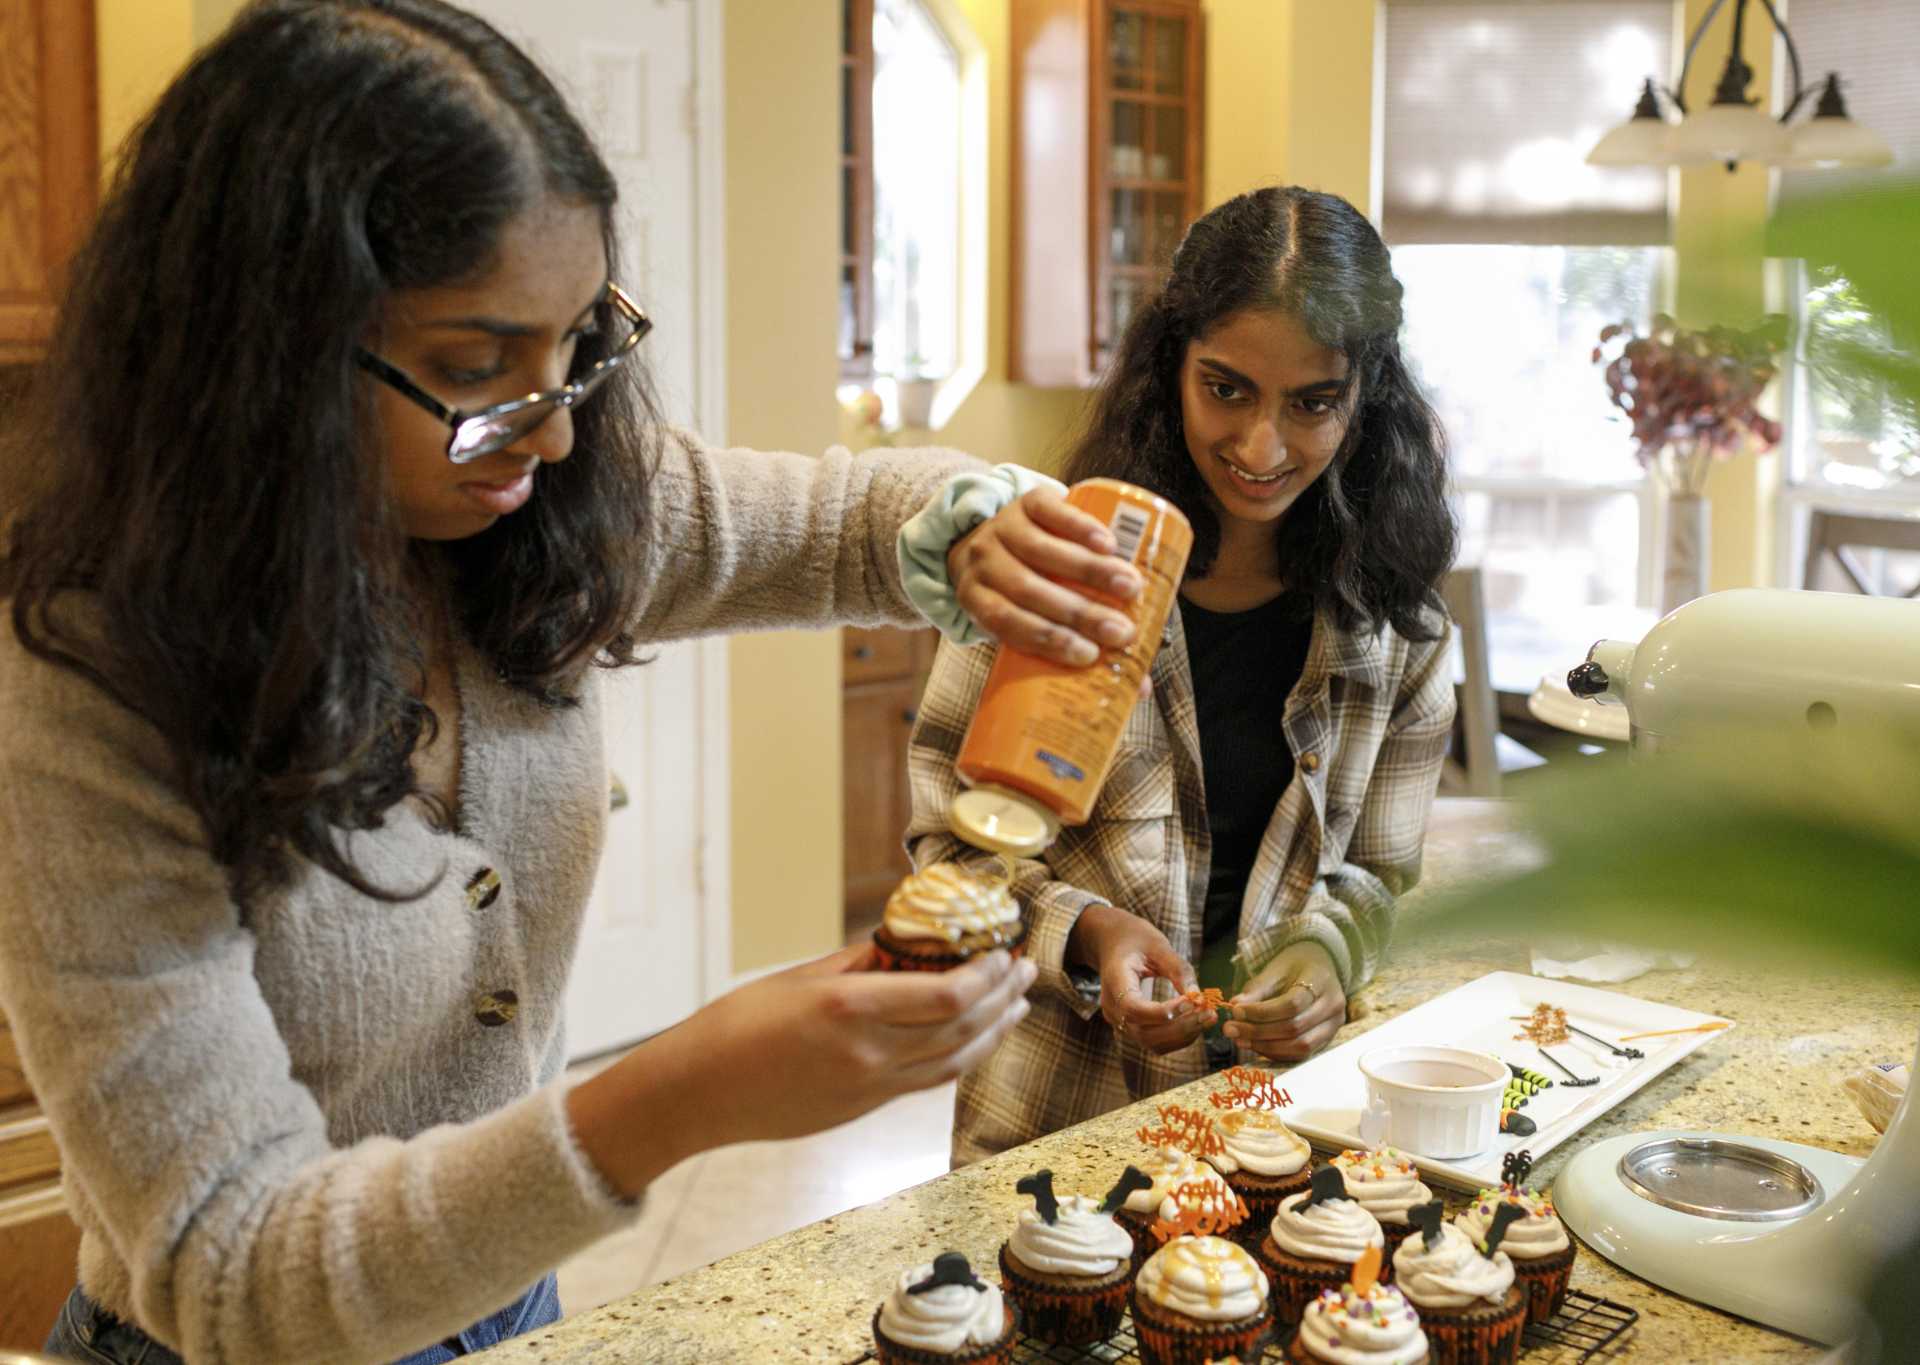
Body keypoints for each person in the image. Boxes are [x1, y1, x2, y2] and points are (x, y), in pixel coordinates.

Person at [0, 3, 1139, 1362]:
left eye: (582, 343)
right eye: (474, 368)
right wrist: (678, 1096)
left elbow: (838, 522)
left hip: (508, 1308)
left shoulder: (529, 504)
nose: (553, 423)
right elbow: (235, 1269)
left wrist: (982, 525)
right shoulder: (88, 684)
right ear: (264, 360)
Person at [900, 187, 1459, 1165]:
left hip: (1289, 1130)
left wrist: (1324, 954)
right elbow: (948, 854)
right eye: (1226, 388)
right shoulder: (1046, 574)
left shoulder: (1397, 628)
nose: (1259, 447)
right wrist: (1090, 934)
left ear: (1365, 395)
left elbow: (1379, 873)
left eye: (1312, 402)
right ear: (1170, 369)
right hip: (1051, 1127)